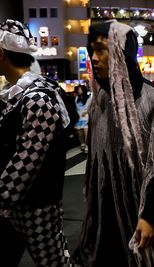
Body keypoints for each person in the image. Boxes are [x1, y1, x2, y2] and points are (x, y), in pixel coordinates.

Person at [72, 20, 154, 267]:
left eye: (102, 49)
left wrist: (150, 215)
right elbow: (94, 161)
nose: (94, 57)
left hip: (141, 212)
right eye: (93, 50)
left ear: (122, 53)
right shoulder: (99, 99)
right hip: (105, 213)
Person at [0, 19, 72, 266]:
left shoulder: (37, 98)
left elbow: (26, 161)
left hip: (36, 207)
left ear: (2, 54)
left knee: (55, 263)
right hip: (16, 206)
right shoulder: (19, 95)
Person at [74, 84, 92, 153]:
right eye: (78, 89)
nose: (79, 91)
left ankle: (87, 145)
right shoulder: (76, 99)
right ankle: (82, 143)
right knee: (80, 134)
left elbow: (91, 107)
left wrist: (87, 112)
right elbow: (75, 108)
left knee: (86, 132)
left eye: (80, 89)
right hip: (79, 117)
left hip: (86, 117)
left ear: (83, 90)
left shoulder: (89, 98)